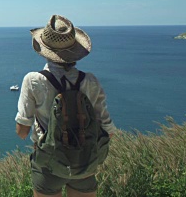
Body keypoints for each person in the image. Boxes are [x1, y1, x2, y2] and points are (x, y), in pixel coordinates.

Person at [15, 15, 117, 197]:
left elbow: (22, 131)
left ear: (43, 48)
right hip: (85, 160)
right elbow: (107, 129)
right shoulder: (90, 81)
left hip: (48, 163)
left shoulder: (33, 80)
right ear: (75, 50)